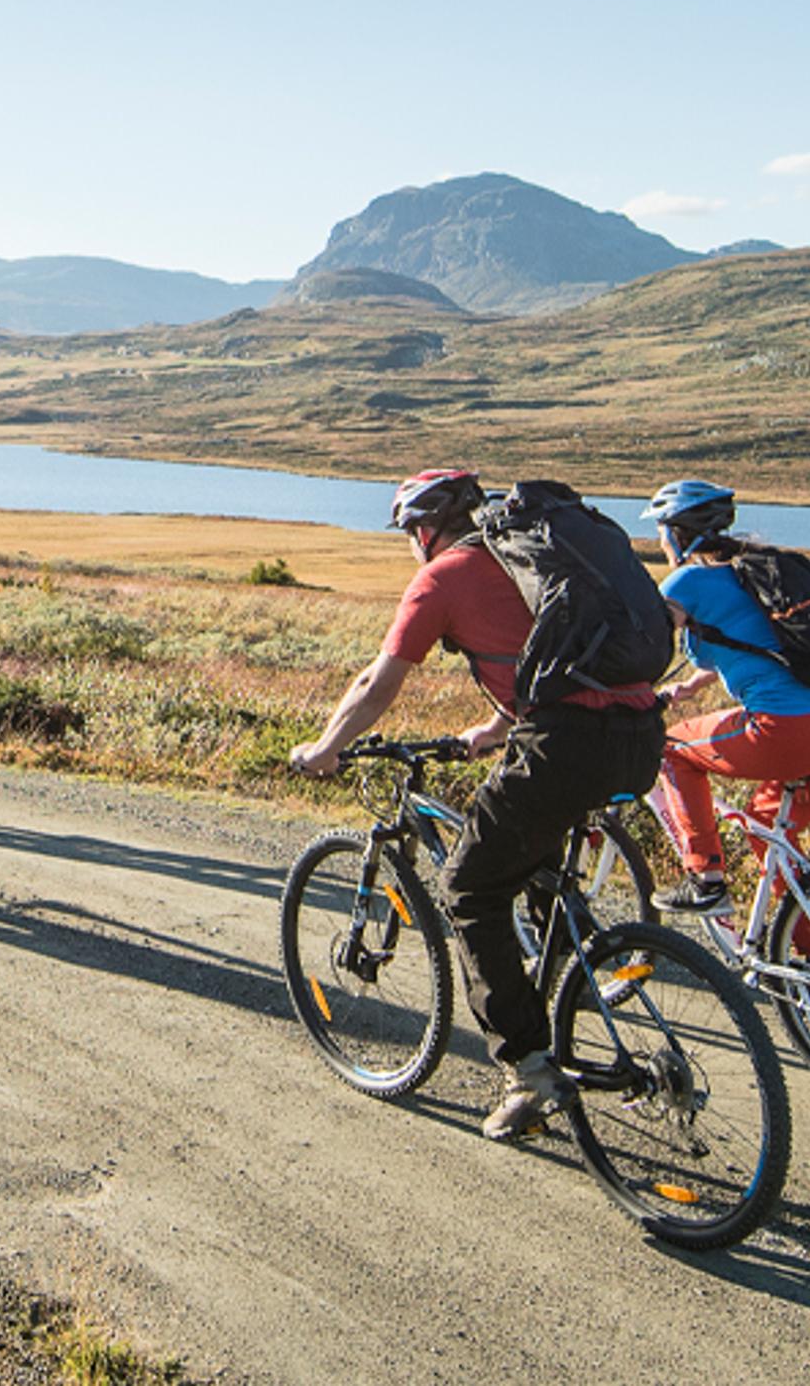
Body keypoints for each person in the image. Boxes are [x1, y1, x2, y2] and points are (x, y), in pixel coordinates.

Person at [290, 469, 666, 1142]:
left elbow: (378, 682)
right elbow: (547, 657)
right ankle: (564, 987)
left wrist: (326, 747)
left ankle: (528, 1069)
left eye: (410, 531)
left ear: (424, 528)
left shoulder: (442, 576)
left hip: (566, 745)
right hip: (638, 738)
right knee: (535, 868)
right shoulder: (534, 556)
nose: (411, 543)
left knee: (468, 887)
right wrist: (493, 732)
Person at [644, 478, 810, 911]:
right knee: (766, 826)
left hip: (789, 731)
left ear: (677, 533)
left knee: (672, 749)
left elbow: (642, 647)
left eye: (662, 533)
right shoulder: (756, 571)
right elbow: (753, 644)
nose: (661, 544)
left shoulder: (686, 582)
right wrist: (692, 686)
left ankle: (705, 879)